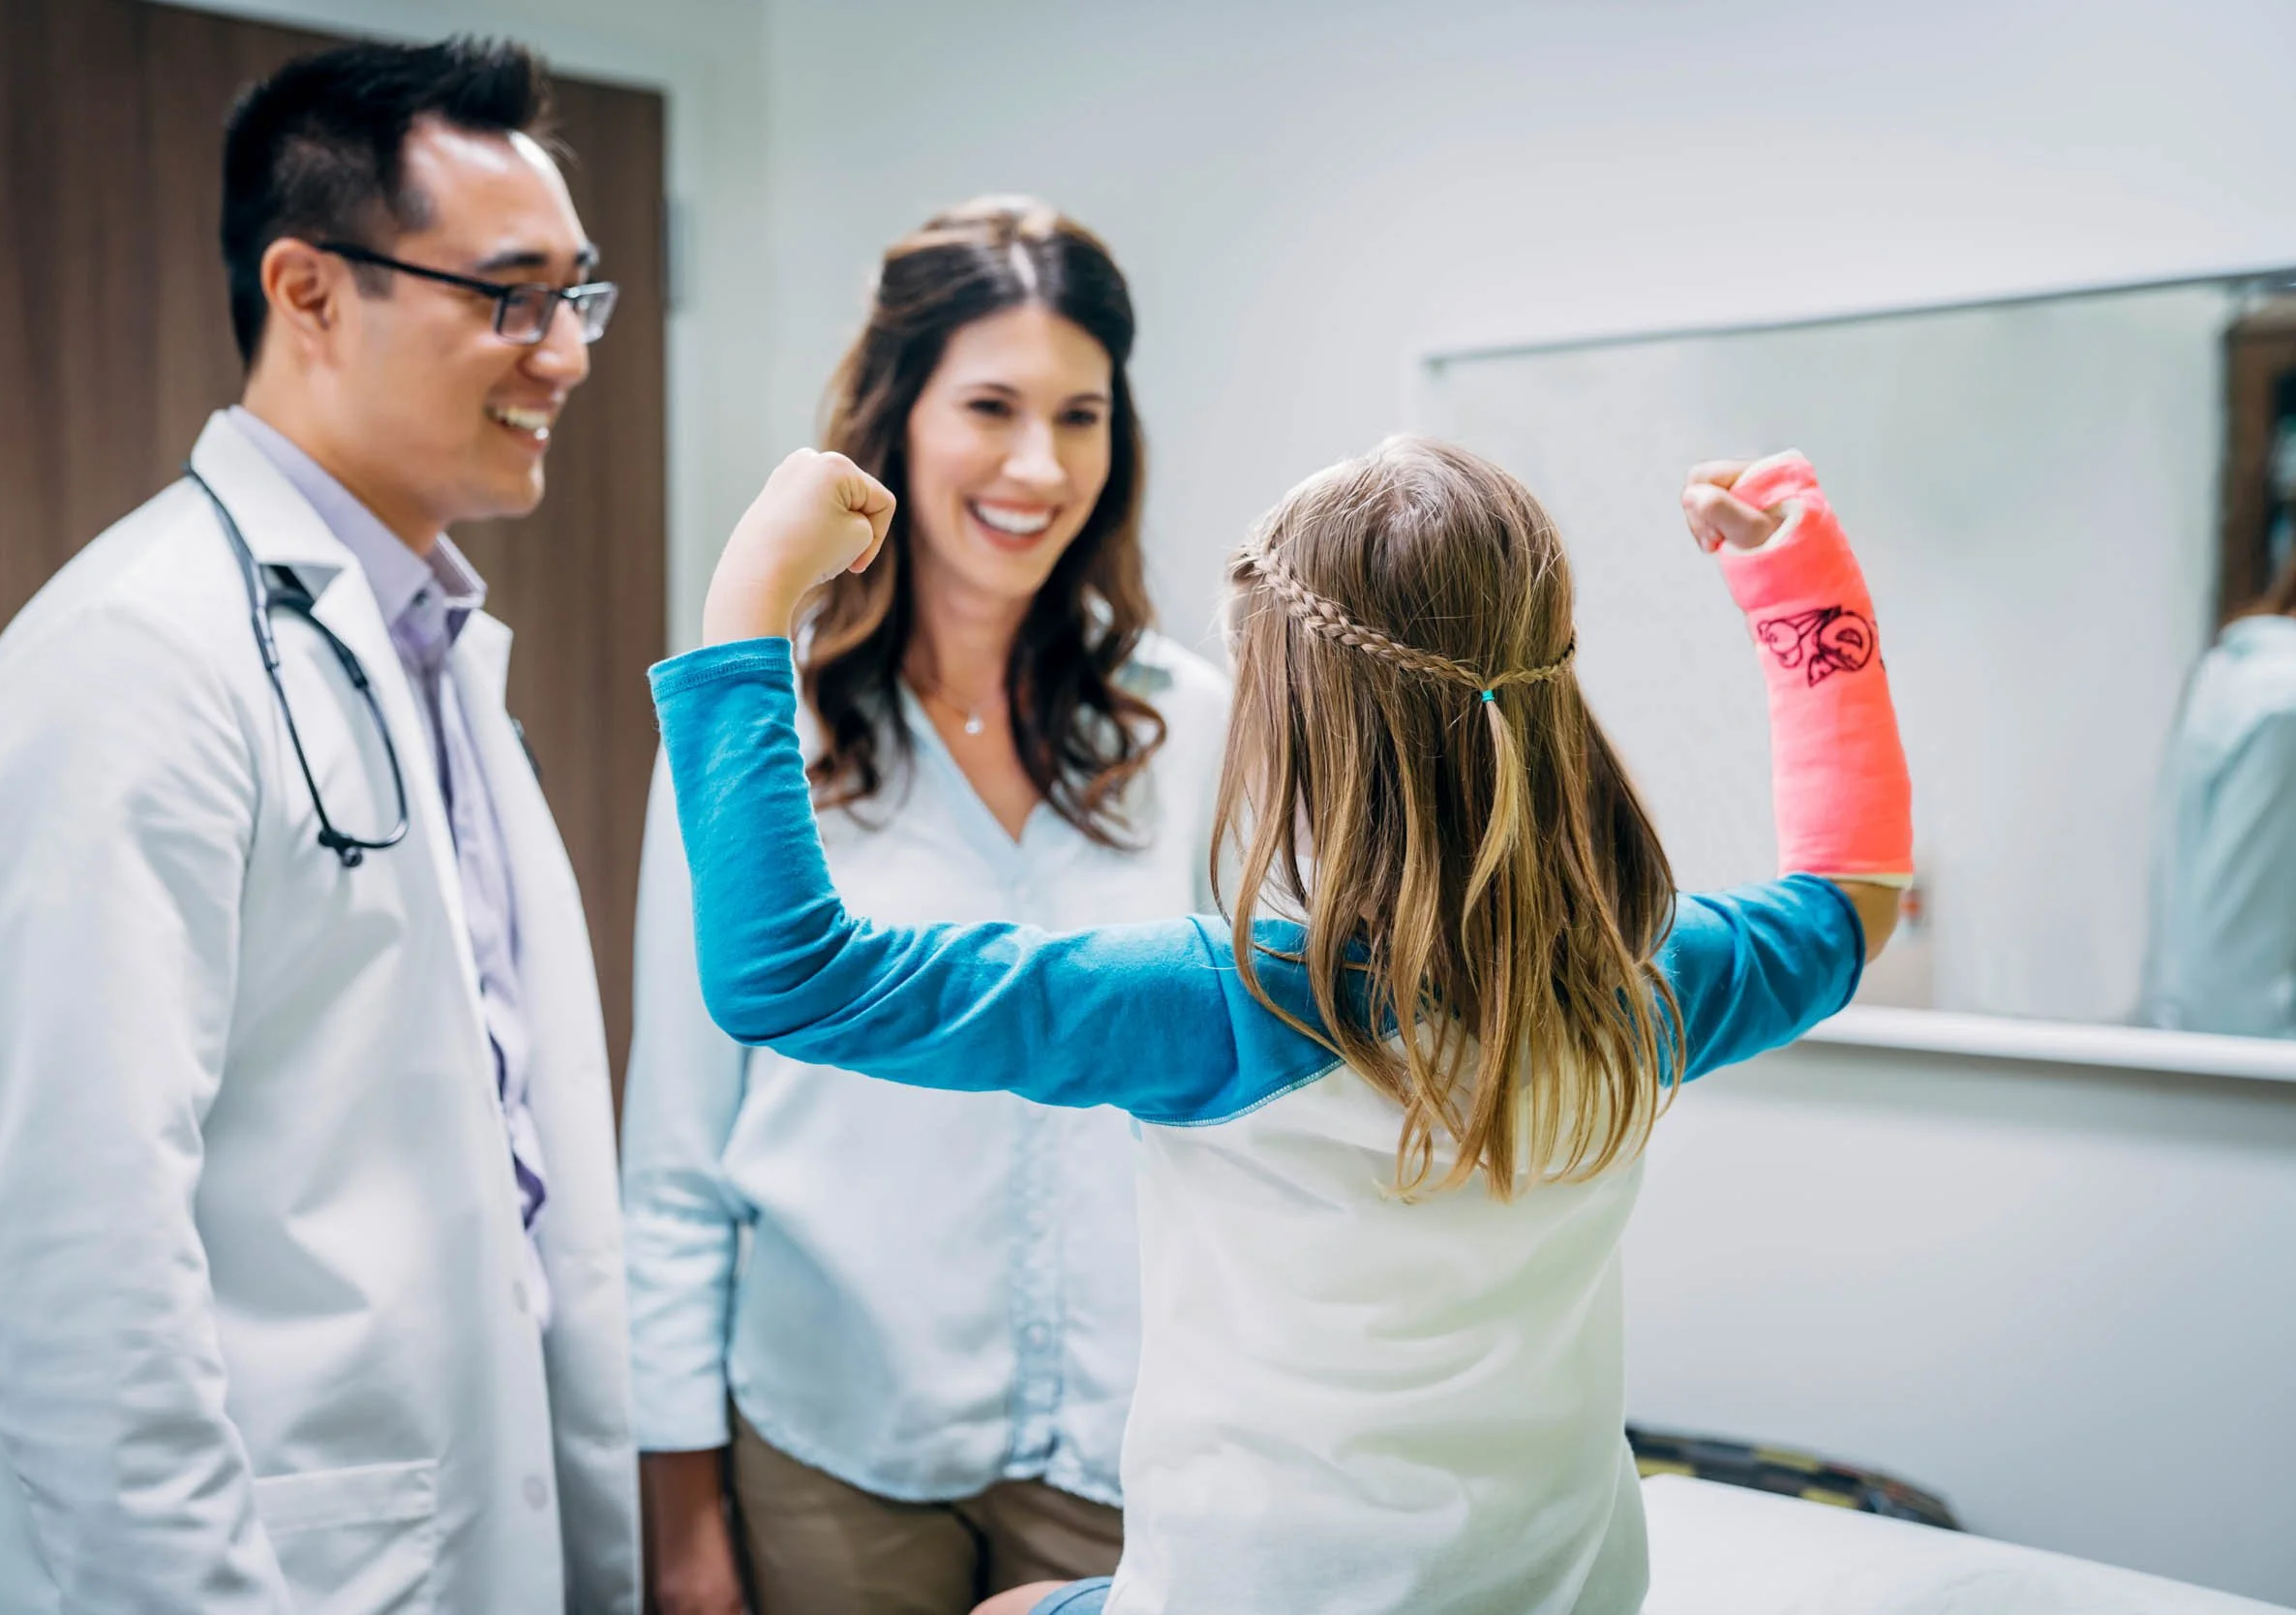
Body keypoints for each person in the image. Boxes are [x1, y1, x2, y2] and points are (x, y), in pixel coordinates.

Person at [647, 440, 1910, 1615]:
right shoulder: (1644, 990)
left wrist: (750, 602)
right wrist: (1803, 591)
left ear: (1290, 728)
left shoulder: (1222, 1006)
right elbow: (1852, 898)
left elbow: (788, 976)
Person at [0, 39, 636, 1614]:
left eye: (577, 297)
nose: (567, 356)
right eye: (511, 297)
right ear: (308, 291)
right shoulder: (126, 659)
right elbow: (77, 1268)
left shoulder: (429, 648)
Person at [623, 199, 1231, 1615]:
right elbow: (675, 1160)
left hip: (1125, 1441)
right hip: (834, 1446)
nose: (1039, 466)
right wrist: (684, 1530)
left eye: (1080, 416)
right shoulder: (755, 733)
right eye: (991, 408)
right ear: (893, 420)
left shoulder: (1190, 722)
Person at [2140, 540, 2296, 1035]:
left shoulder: (2236, 672)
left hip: (2191, 1044)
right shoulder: (2283, 708)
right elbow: (2237, 970)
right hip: (2247, 1061)